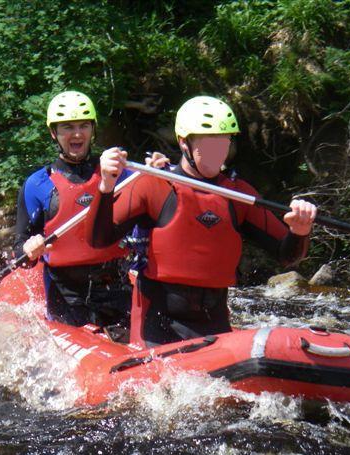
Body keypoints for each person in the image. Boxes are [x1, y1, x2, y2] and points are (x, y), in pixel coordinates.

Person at [86, 96, 317, 347]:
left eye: (223, 141)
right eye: (207, 143)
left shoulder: (239, 194)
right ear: (184, 142)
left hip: (213, 319)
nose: (217, 151)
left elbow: (287, 255)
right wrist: (106, 187)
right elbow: (99, 239)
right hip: (159, 324)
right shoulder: (153, 185)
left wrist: (299, 231)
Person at [13, 90, 134, 328]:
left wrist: (159, 169)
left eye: (83, 126)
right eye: (67, 127)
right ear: (53, 133)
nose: (77, 133)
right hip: (66, 295)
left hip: (116, 286)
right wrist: (28, 248)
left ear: (93, 130)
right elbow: (20, 249)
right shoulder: (37, 185)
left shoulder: (120, 174)